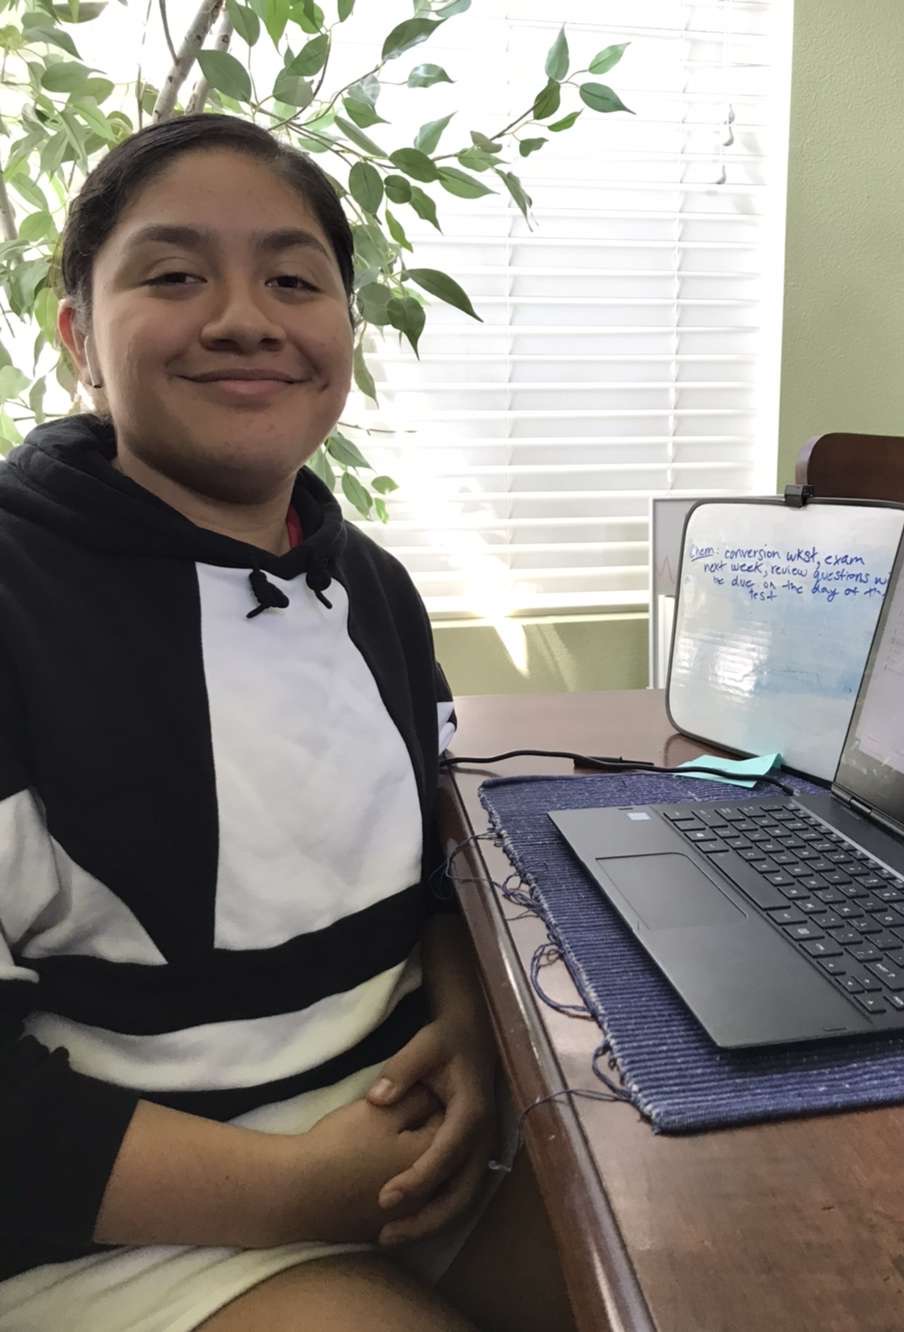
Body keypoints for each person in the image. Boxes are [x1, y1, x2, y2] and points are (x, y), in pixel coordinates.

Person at [0, 113, 574, 1332]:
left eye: (293, 279)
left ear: (343, 341)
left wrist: (470, 1023)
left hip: (413, 1149)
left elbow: (432, 878)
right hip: (118, 1226)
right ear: (77, 344)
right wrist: (286, 1191)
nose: (245, 317)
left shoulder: (366, 583)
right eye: (172, 275)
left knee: (716, 1255)